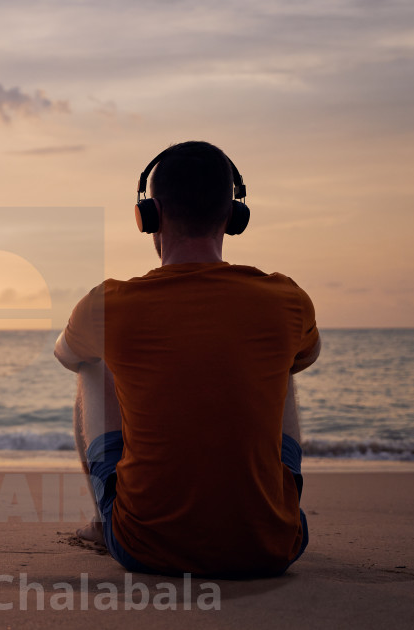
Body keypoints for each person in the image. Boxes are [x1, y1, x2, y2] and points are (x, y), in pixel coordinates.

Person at [54, 141, 321, 578]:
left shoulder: (108, 304)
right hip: (273, 547)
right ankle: (258, 510)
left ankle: (106, 525)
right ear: (234, 216)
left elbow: (66, 356)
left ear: (150, 216)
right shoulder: (286, 299)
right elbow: (309, 356)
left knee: (93, 361)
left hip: (146, 548)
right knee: (283, 361)